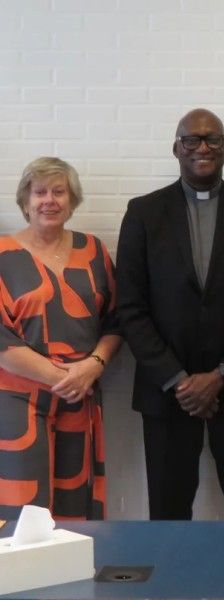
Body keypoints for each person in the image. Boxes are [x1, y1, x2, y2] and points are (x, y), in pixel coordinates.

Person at [116, 108, 224, 520]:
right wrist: (179, 381)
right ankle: (170, 588)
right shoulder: (143, 214)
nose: (202, 148)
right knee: (168, 514)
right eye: (191, 140)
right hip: (167, 392)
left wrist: (221, 375)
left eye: (212, 139)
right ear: (176, 148)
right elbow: (131, 308)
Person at [0, 157, 122, 520]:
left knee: (75, 509)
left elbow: (117, 320)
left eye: (59, 191)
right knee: (23, 508)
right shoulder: (3, 255)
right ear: (25, 202)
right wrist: (61, 378)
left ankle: (75, 577)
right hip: (18, 401)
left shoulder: (94, 251)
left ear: (72, 201)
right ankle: (20, 579)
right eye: (39, 192)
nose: (49, 200)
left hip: (80, 396)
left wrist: (92, 367)